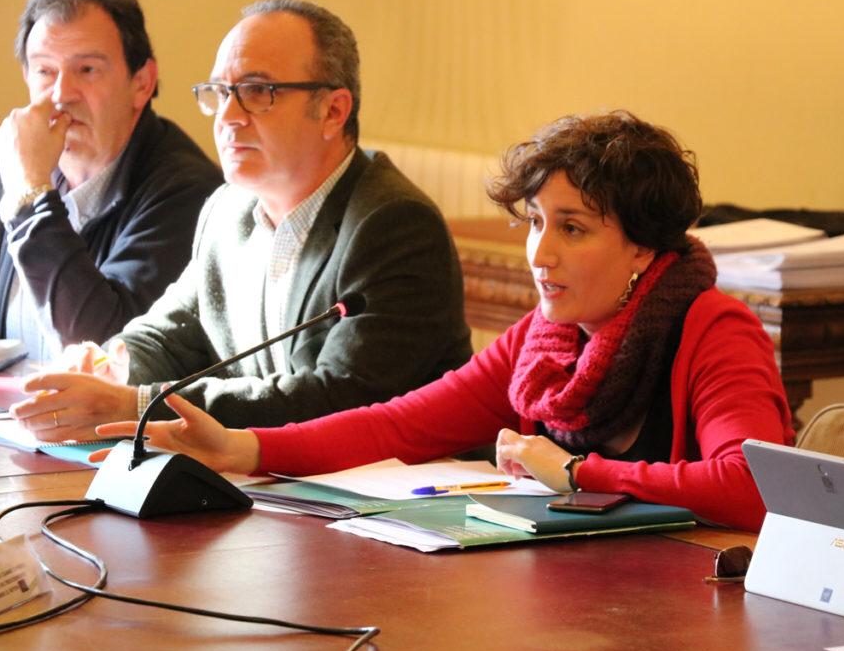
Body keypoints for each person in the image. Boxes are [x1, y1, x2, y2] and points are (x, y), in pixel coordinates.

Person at [97, 111, 793, 532]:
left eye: (573, 229)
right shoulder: (545, 341)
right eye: (535, 223)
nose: (540, 254)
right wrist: (243, 448)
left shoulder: (714, 330)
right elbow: (401, 424)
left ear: (643, 246)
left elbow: (755, 488)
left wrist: (579, 472)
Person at [11, 0, 472, 442]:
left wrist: (137, 404)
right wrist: (107, 368)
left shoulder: (393, 224)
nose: (228, 116)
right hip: (266, 482)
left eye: (256, 92)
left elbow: (338, 400)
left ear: (333, 111)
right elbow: (169, 336)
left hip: (399, 488)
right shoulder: (227, 209)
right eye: (220, 92)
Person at [0, 0, 222, 362]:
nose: (61, 94)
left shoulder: (187, 192)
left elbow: (104, 348)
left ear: (142, 82)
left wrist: (31, 196)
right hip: (4, 401)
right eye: (45, 71)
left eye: (87, 70)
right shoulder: (18, 162)